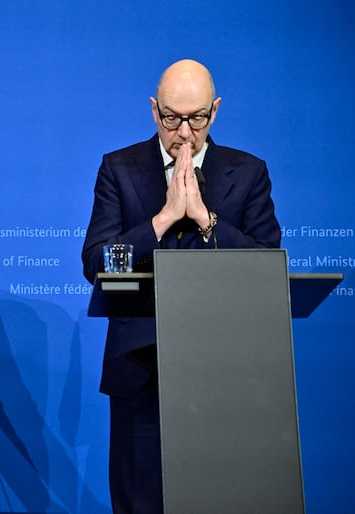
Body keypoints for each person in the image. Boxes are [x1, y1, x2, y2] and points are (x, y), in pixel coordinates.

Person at [81, 59, 280, 513]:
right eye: (172, 118)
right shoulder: (120, 168)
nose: (184, 133)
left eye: (197, 118)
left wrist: (207, 221)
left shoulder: (248, 172)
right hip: (140, 369)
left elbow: (267, 263)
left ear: (215, 111)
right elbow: (96, 262)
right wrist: (163, 219)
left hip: (226, 370)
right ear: (154, 111)